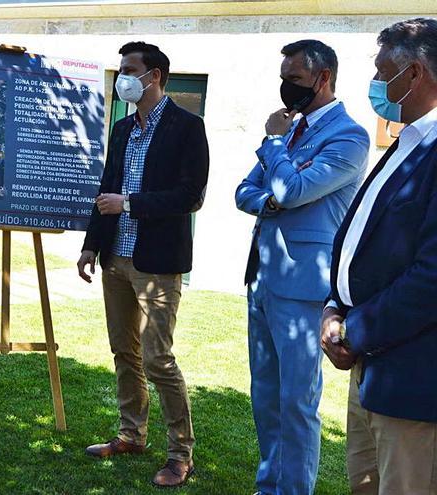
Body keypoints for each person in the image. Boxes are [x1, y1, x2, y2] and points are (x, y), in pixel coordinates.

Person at [235, 40, 369, 495]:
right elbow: (245, 191)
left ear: (323, 78)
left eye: (293, 79)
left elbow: (292, 191)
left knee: (297, 402)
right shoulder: (291, 133)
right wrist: (272, 195)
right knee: (266, 397)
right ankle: (268, 486)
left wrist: (274, 147)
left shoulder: (349, 136)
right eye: (284, 77)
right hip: (263, 280)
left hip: (304, 289)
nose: (284, 88)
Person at [77, 41, 209, 488]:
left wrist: (129, 204)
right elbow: (105, 187)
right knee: (123, 352)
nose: (123, 77)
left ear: (153, 76)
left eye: (129, 69)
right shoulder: (122, 129)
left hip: (157, 262)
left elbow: (191, 195)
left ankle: (180, 454)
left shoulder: (187, 127)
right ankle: (131, 435)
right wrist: (91, 245)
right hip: (115, 257)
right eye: (121, 68)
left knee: (158, 359)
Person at [321, 18, 437, 495]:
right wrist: (334, 305)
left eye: (381, 70)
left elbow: (431, 277)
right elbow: (362, 240)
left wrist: (356, 330)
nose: (375, 84)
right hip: (370, 367)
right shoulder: (405, 141)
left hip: (412, 379)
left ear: (414, 74)